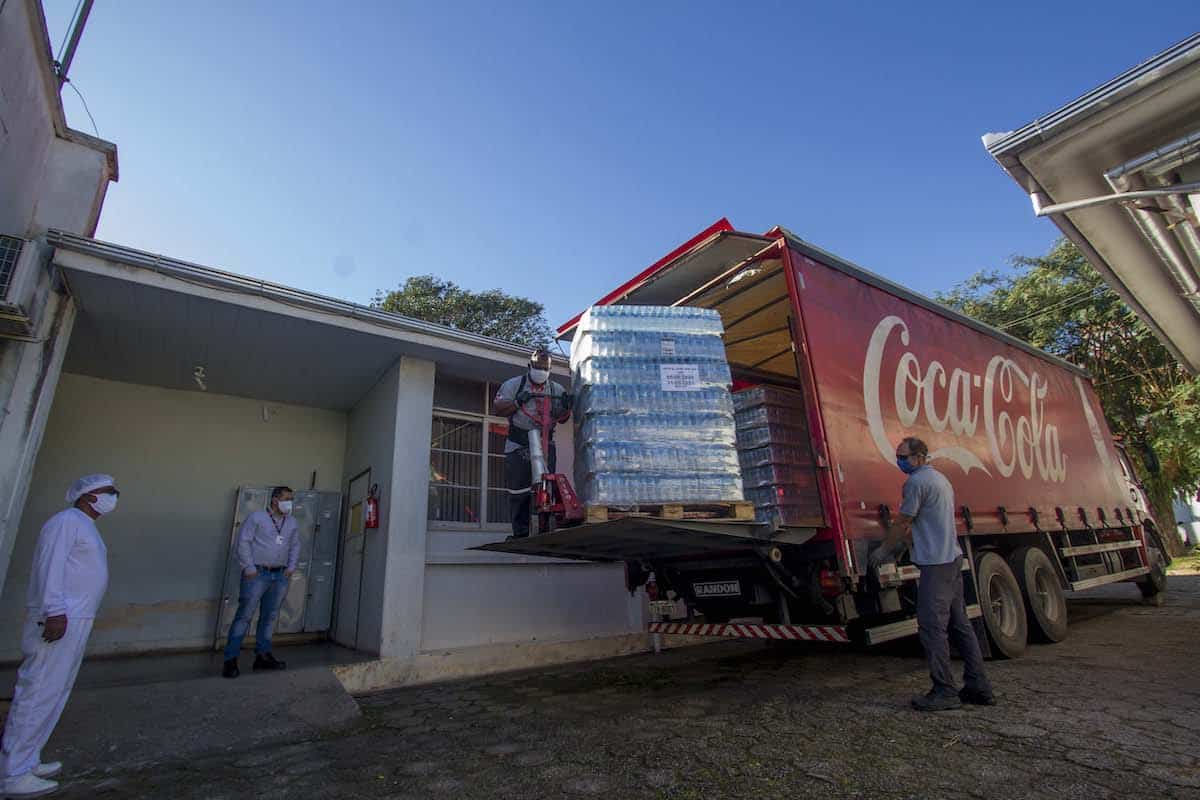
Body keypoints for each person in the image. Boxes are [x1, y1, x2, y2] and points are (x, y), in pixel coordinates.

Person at [1, 474, 117, 798]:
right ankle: (12, 774)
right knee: (37, 690)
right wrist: (53, 611)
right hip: (59, 619)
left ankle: (28, 758)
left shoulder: (84, 525)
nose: (113, 496)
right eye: (108, 491)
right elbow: (48, 567)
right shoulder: (65, 522)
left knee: (56, 690)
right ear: (88, 496)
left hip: (76, 619)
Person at [871, 437, 994, 712]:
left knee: (931, 628)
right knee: (960, 625)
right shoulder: (940, 479)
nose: (899, 461)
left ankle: (944, 690)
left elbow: (904, 520)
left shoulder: (915, 483)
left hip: (936, 565)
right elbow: (927, 521)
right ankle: (978, 685)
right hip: (951, 557)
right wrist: (909, 542)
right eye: (898, 455)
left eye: (903, 456)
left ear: (919, 456)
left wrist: (884, 550)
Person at [492, 348, 573, 538]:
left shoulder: (556, 389)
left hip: (545, 441)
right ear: (530, 366)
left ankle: (544, 529)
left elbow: (562, 419)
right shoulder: (514, 385)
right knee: (518, 489)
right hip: (519, 442)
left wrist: (567, 408)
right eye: (537, 367)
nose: (541, 370)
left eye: (545, 368)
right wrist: (518, 403)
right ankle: (520, 532)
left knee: (546, 486)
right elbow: (499, 409)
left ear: (550, 369)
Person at [221, 486, 300, 678]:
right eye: (286, 499)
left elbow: (295, 545)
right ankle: (230, 660)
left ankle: (263, 656)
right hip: (257, 575)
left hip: (280, 576)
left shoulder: (291, 522)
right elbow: (243, 542)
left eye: (291, 499)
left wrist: (290, 567)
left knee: (270, 616)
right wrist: (249, 568)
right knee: (244, 616)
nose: (289, 503)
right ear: (275, 500)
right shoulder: (256, 518)